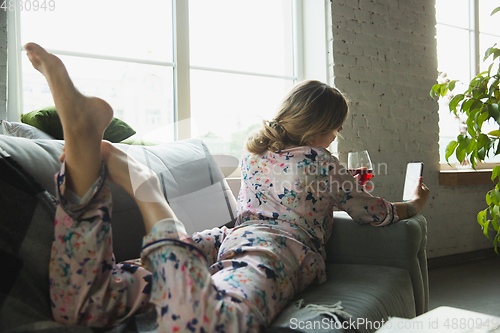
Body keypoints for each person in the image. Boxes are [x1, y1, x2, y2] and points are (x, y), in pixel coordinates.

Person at [24, 42, 429, 333]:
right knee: (217, 322)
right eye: (336, 129)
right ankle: (147, 191)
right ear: (322, 127)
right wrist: (412, 203)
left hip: (229, 237)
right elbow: (370, 212)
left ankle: (80, 161)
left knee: (87, 303)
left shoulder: (255, 150)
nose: (336, 136)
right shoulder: (321, 161)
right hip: (278, 249)